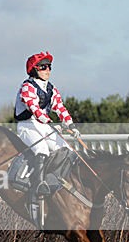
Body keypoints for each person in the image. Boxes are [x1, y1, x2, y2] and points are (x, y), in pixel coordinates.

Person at [14, 51, 80, 206]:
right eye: (43, 67)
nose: (47, 70)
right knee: (42, 149)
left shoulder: (51, 88)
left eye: (49, 67)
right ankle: (39, 184)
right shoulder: (27, 87)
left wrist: (70, 124)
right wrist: (49, 121)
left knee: (65, 149)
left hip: (43, 126)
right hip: (28, 125)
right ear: (34, 69)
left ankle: (58, 181)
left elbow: (60, 107)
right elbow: (34, 108)